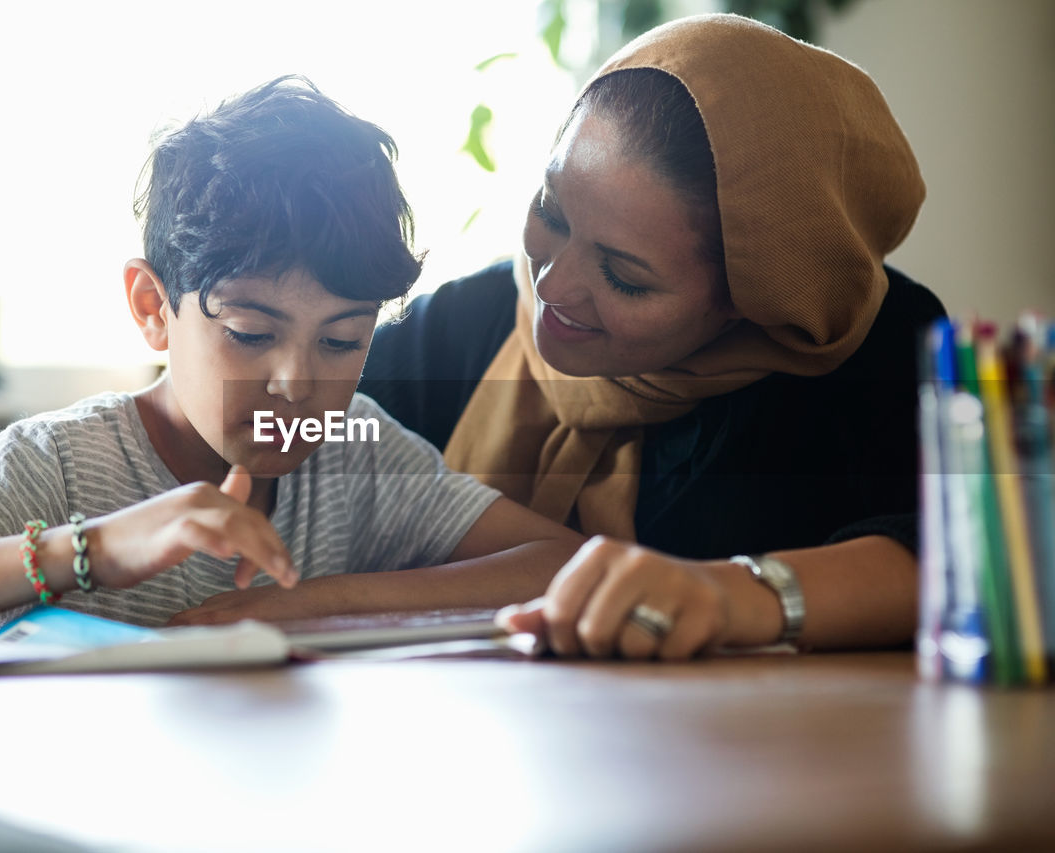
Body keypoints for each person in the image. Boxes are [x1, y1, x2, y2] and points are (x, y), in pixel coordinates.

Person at [0, 76, 583, 640]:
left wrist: (318, 603)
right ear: (153, 308)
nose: (298, 385)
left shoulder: (355, 454)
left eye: (342, 340)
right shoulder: (59, 466)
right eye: (250, 333)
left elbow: (566, 563)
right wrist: (90, 548)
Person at [358, 14, 946, 659]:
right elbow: (322, 424)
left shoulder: (875, 354)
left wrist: (735, 594)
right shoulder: (476, 320)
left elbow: (971, 549)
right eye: (550, 215)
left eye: (624, 277)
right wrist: (226, 466)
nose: (552, 285)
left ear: (749, 300)